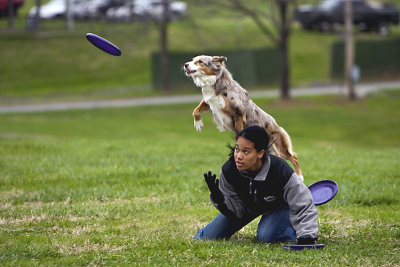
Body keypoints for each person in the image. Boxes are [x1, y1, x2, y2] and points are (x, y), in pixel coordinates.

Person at [194, 125, 318, 244]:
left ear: (260, 153)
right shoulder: (229, 171)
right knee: (208, 237)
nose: (238, 156)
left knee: (266, 237)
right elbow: (237, 213)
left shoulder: (280, 170)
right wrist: (220, 200)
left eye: (246, 152)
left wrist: (307, 235)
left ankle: (290, 228)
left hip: (277, 206)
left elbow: (304, 204)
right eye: (237, 149)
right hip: (246, 207)